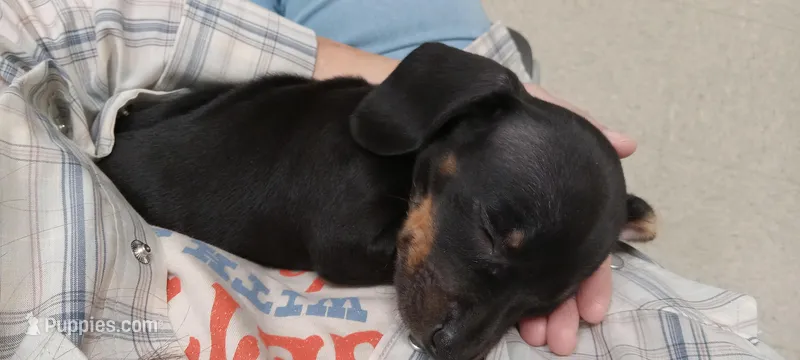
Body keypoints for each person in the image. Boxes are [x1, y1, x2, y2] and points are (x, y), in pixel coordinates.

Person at [0, 0, 782, 359]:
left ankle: (493, 68)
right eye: (486, 243)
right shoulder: (357, 205)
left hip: (160, 102)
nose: (458, 336)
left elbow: (46, 22)